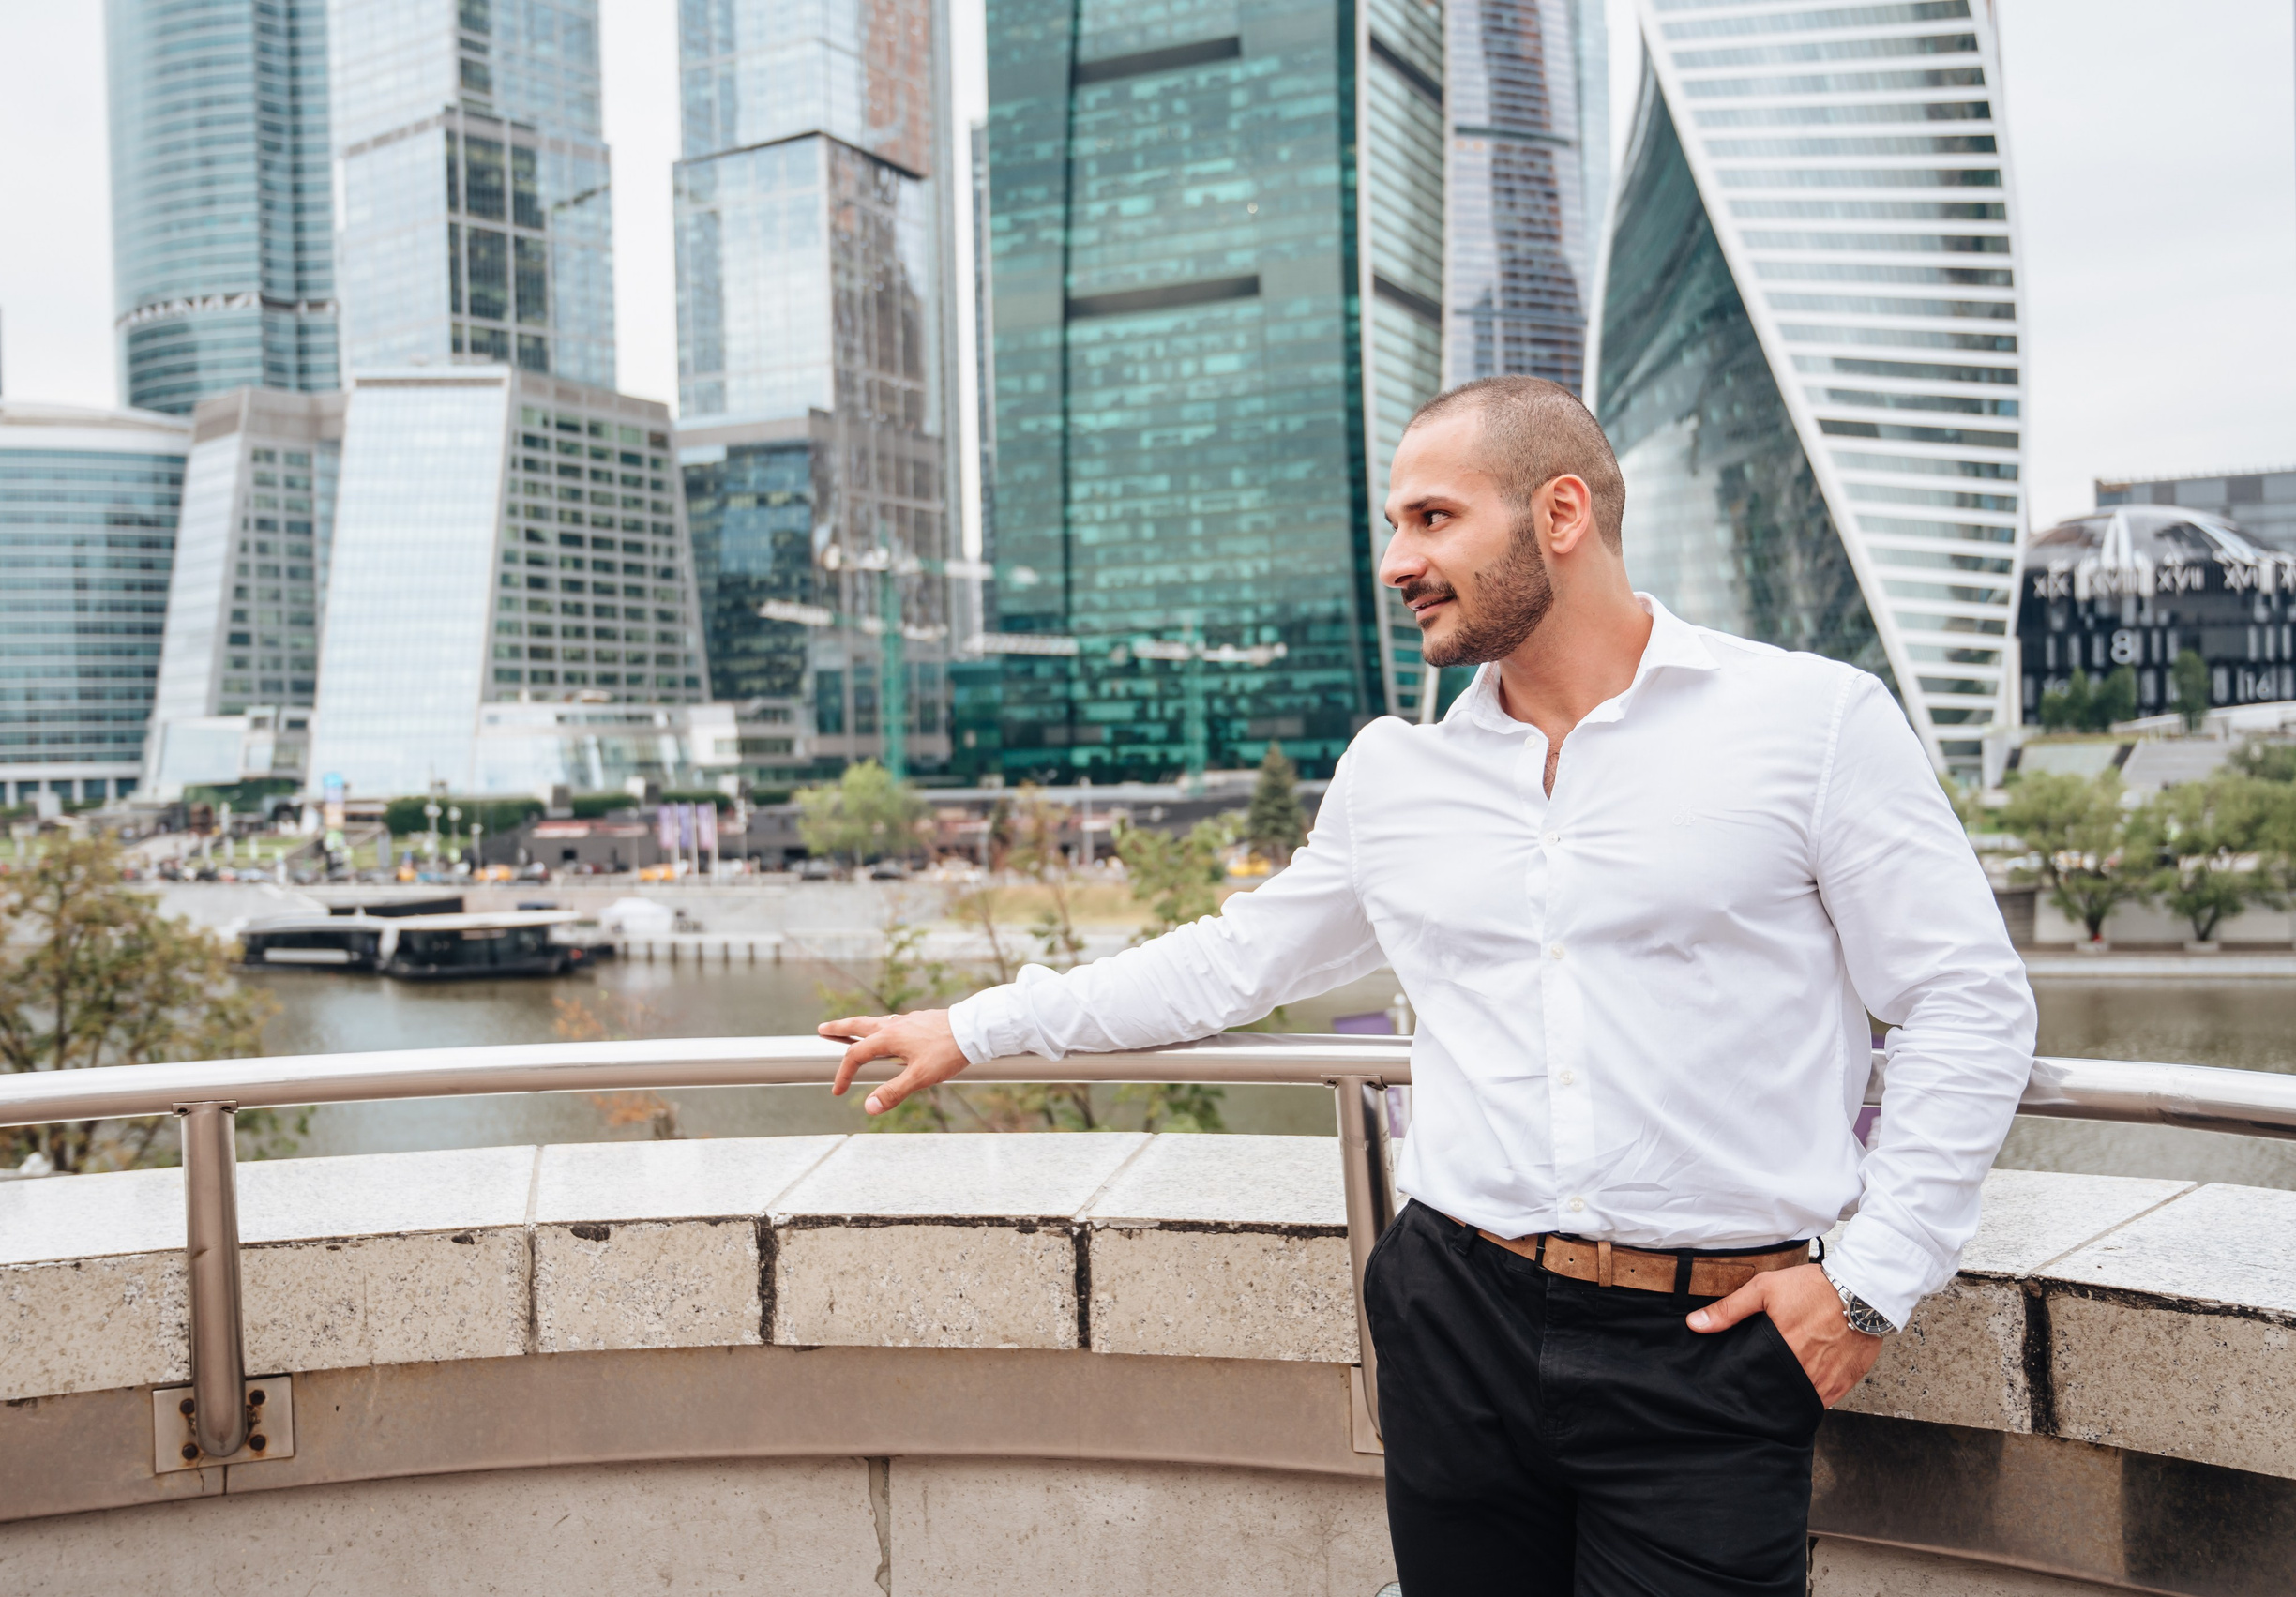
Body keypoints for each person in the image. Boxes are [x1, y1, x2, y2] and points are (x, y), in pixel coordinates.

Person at [820, 376, 2036, 1596]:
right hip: (1457, 1313)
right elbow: (1234, 962)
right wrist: (975, 1024)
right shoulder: (1397, 775)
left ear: (1560, 512)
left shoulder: (1812, 724)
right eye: (1396, 527)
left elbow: (1967, 1003)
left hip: (1712, 1346)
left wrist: (1871, 1285)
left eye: (1433, 519)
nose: (1398, 560)